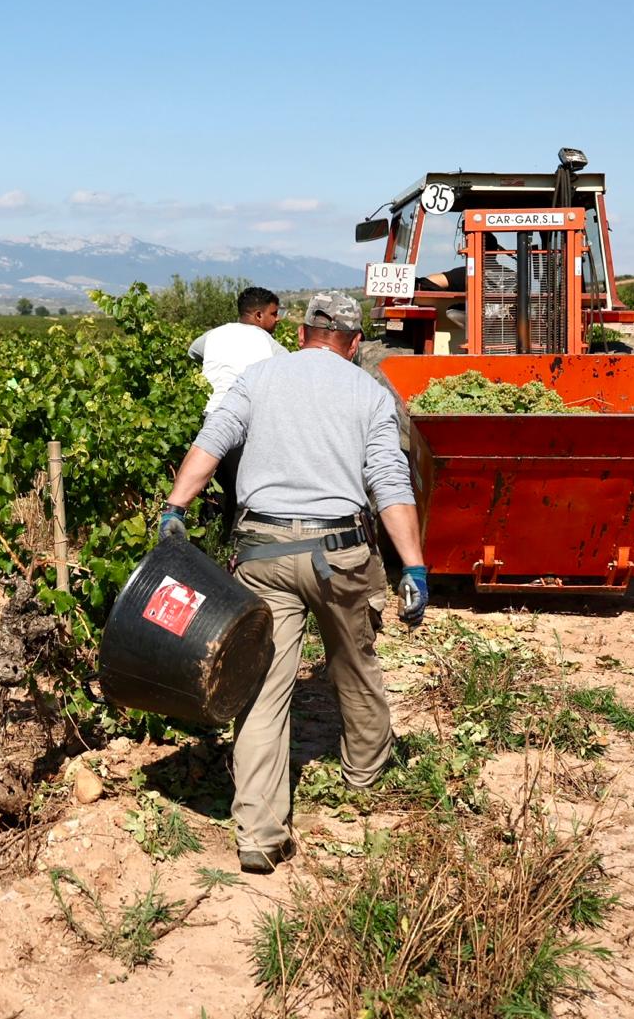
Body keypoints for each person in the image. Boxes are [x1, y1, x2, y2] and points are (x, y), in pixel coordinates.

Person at [158, 291, 428, 875]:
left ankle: (258, 831)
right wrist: (413, 564)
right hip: (341, 555)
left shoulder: (258, 377)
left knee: (263, 687)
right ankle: (364, 775)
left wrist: (176, 506)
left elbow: (213, 441)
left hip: (263, 552)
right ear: (354, 344)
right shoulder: (370, 392)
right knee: (354, 662)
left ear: (302, 333)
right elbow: (389, 482)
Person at [185, 287, 288, 528]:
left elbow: (192, 351)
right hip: (244, 422)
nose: (278, 319)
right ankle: (234, 548)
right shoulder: (268, 343)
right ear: (258, 316)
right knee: (241, 490)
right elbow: (288, 369)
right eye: (274, 314)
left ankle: (211, 541)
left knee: (212, 487)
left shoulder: (214, 334)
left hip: (210, 417)